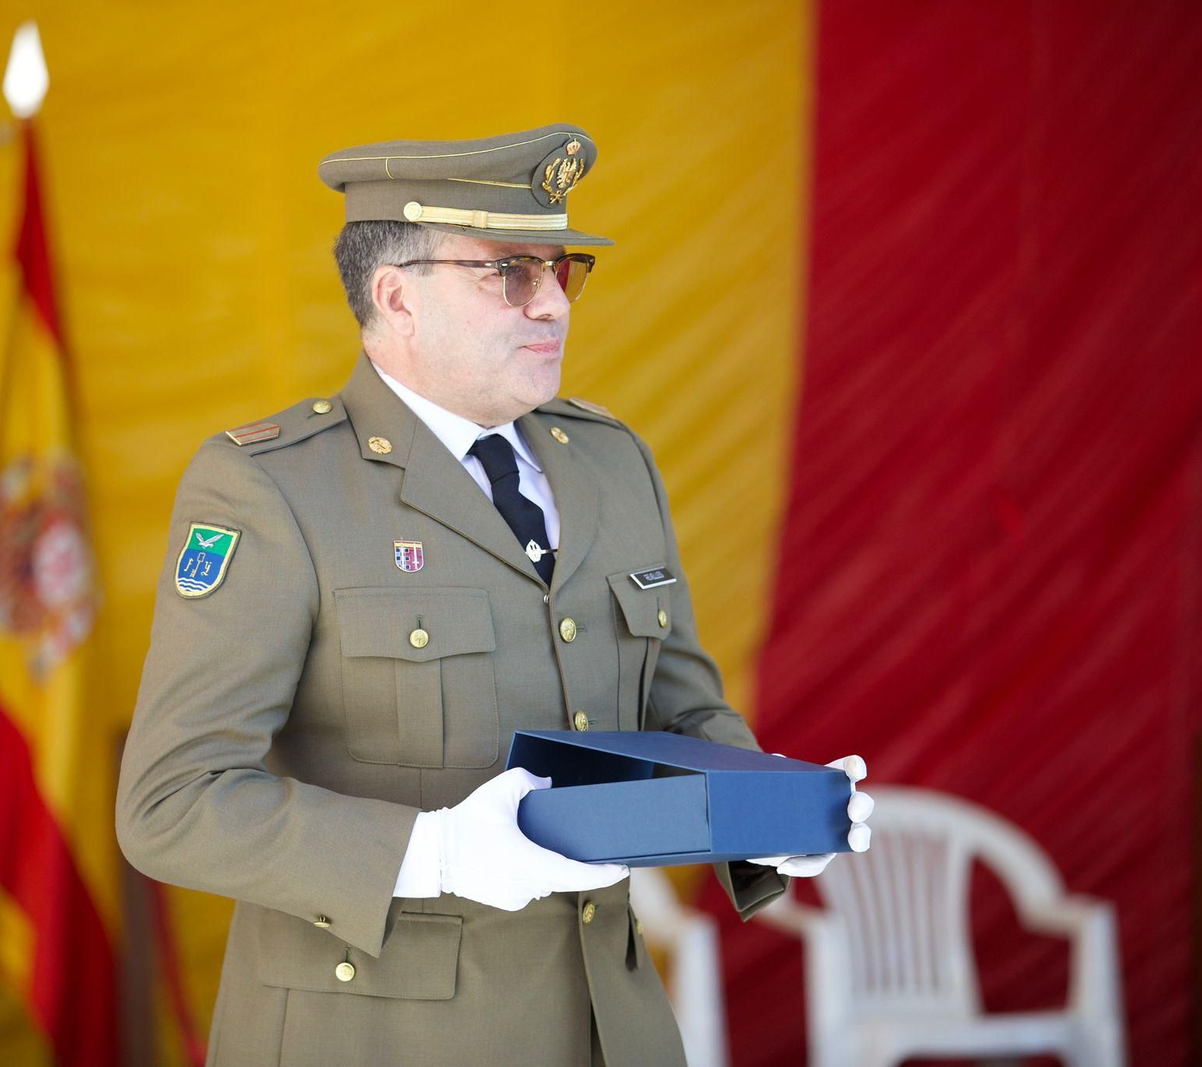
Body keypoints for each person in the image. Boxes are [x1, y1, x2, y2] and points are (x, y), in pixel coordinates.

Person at [116, 123, 872, 1067]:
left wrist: (772, 813)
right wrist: (435, 852)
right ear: (397, 296)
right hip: (377, 1039)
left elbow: (679, 705)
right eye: (508, 274)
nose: (553, 303)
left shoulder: (610, 461)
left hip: (608, 1026)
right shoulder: (275, 487)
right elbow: (172, 802)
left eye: (561, 269)